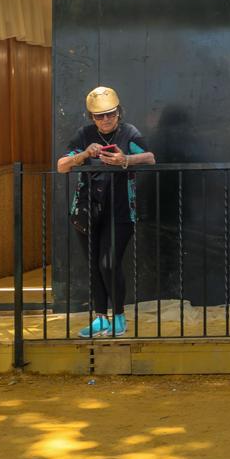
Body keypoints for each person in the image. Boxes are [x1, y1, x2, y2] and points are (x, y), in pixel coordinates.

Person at [57, 86, 155, 339]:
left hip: (121, 209)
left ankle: (119, 318)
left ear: (118, 113)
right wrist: (84, 154)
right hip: (88, 209)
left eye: (110, 114)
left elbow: (150, 157)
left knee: (108, 263)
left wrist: (125, 160)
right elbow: (61, 166)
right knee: (93, 265)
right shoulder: (84, 134)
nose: (105, 119)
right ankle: (101, 319)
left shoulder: (128, 133)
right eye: (99, 116)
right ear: (91, 117)